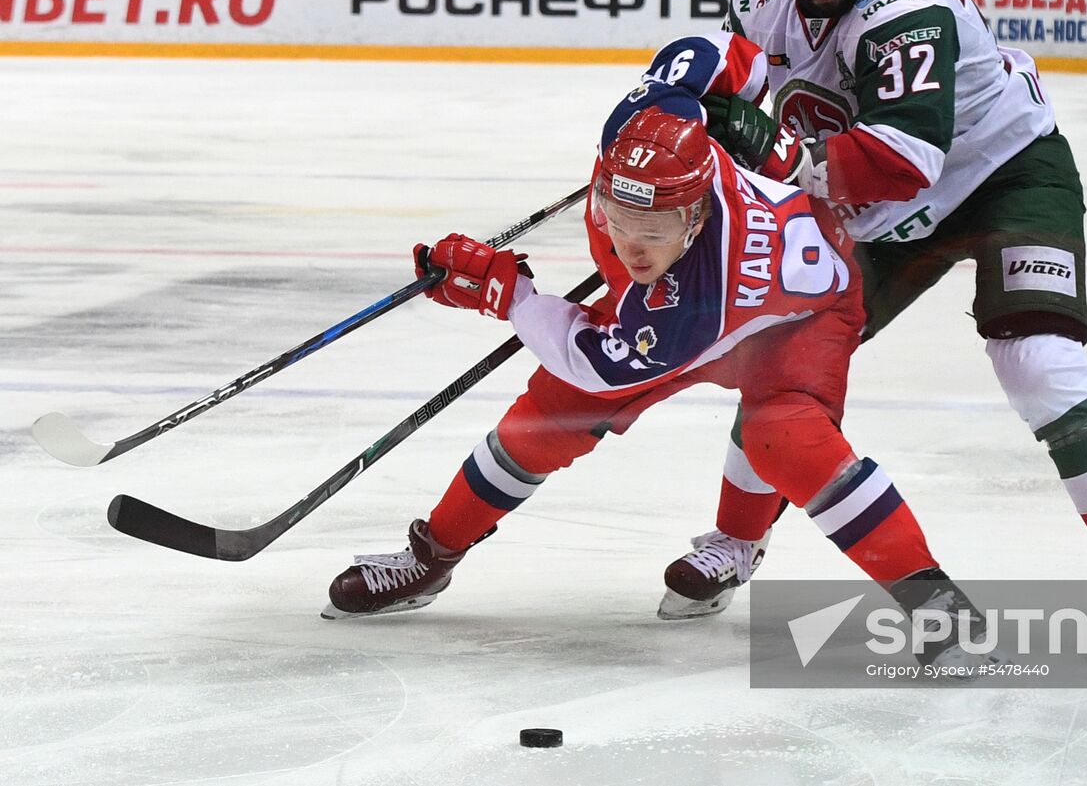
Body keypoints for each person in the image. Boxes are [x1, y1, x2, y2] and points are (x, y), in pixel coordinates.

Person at [322, 34, 1011, 674]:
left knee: (782, 434)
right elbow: (718, 53)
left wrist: (507, 292)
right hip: (679, 294)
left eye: (653, 228)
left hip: (802, 307)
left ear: (698, 215)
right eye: (619, 218)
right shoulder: (644, 126)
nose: (631, 243)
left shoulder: (693, 301)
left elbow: (588, 355)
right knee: (540, 424)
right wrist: (735, 99)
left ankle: (927, 600)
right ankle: (430, 557)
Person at [658, 0, 1087, 659]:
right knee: (776, 356)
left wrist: (769, 147)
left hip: (1004, 174)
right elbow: (739, 80)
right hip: (878, 205)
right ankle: (736, 541)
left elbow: (904, 159)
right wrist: (687, 106)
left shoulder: (903, 4)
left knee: (1038, 361)